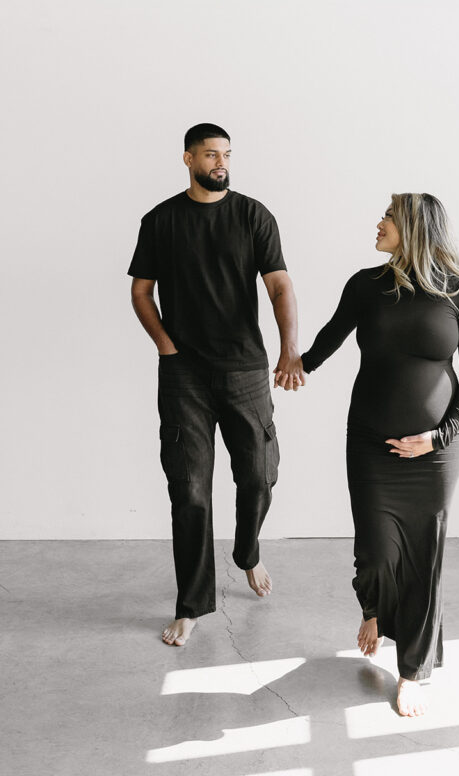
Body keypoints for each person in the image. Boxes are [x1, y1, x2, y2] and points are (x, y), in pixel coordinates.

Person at [296, 193, 459, 718]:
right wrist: (297, 365)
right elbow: (331, 336)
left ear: (415, 227)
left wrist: (440, 436)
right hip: (371, 442)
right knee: (378, 552)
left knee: (424, 560)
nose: (377, 223)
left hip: (436, 452)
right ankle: (375, 609)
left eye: (388, 216)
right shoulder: (366, 285)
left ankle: (411, 672)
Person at [127, 123, 304, 647]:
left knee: (259, 474)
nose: (221, 163)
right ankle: (192, 603)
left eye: (226, 154)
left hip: (245, 369)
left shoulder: (253, 215)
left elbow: (279, 285)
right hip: (184, 375)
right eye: (210, 154)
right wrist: (164, 343)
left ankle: (246, 551)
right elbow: (141, 292)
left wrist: (289, 349)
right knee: (190, 489)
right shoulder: (160, 220)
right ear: (188, 159)